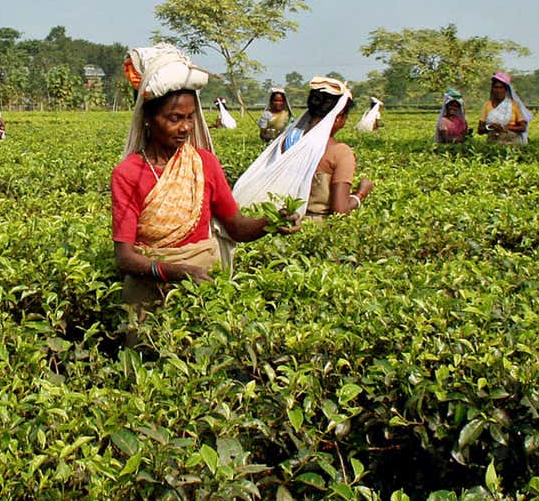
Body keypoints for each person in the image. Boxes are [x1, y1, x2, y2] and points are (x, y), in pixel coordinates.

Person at [111, 45, 290, 312]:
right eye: (174, 118)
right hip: (149, 292)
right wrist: (176, 271)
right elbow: (125, 258)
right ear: (148, 118)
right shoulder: (128, 173)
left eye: (190, 117)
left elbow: (236, 227)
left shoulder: (204, 163)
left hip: (203, 288)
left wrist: (273, 221)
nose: (184, 127)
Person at [299, 78, 374, 218]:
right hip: (315, 230)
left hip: (282, 227)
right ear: (339, 117)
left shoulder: (289, 142)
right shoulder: (340, 152)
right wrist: (361, 193)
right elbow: (340, 210)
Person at [477, 72, 532, 145]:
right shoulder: (487, 105)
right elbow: (480, 130)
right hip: (493, 139)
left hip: (512, 139)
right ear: (492, 89)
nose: (498, 90)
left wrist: (507, 127)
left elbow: (523, 127)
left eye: (501, 87)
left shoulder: (513, 104)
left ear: (505, 90)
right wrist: (490, 127)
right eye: (496, 87)